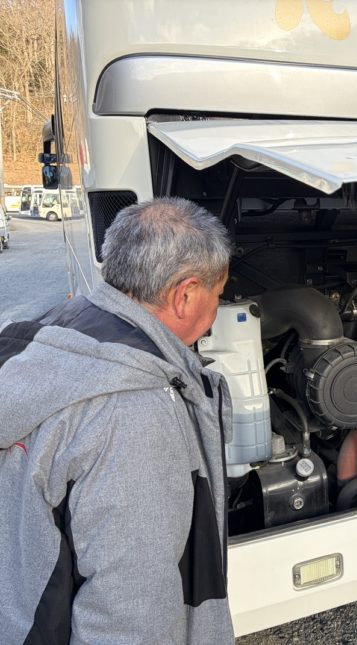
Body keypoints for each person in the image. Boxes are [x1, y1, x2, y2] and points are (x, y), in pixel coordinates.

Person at [0, 197, 235, 644]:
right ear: (185, 295)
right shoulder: (134, 412)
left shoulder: (58, 331)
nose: (216, 308)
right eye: (217, 294)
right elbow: (131, 611)